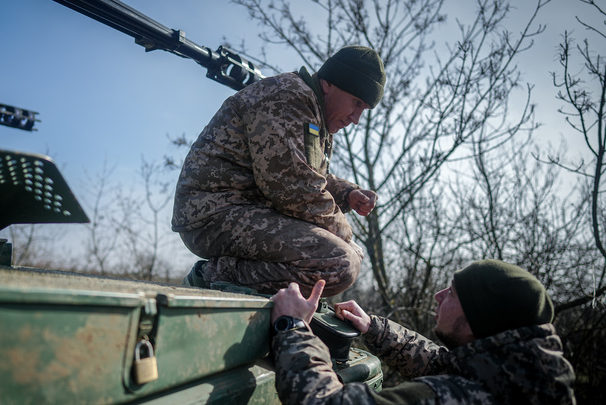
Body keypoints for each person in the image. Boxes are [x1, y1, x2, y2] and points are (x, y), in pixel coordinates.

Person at [172, 46, 386, 297]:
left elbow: (303, 175)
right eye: (356, 103)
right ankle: (212, 277)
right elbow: (293, 189)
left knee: (341, 257)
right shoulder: (288, 98)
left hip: (243, 208)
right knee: (339, 262)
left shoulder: (314, 112)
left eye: (364, 109)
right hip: (212, 213)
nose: (356, 118)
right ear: (329, 84)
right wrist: (346, 236)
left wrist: (347, 193)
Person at [269, 259, 576, 404]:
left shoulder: (453, 399)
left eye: (453, 294)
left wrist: (292, 326)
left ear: (477, 320)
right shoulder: (528, 376)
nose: (438, 295)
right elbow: (445, 364)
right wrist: (374, 328)